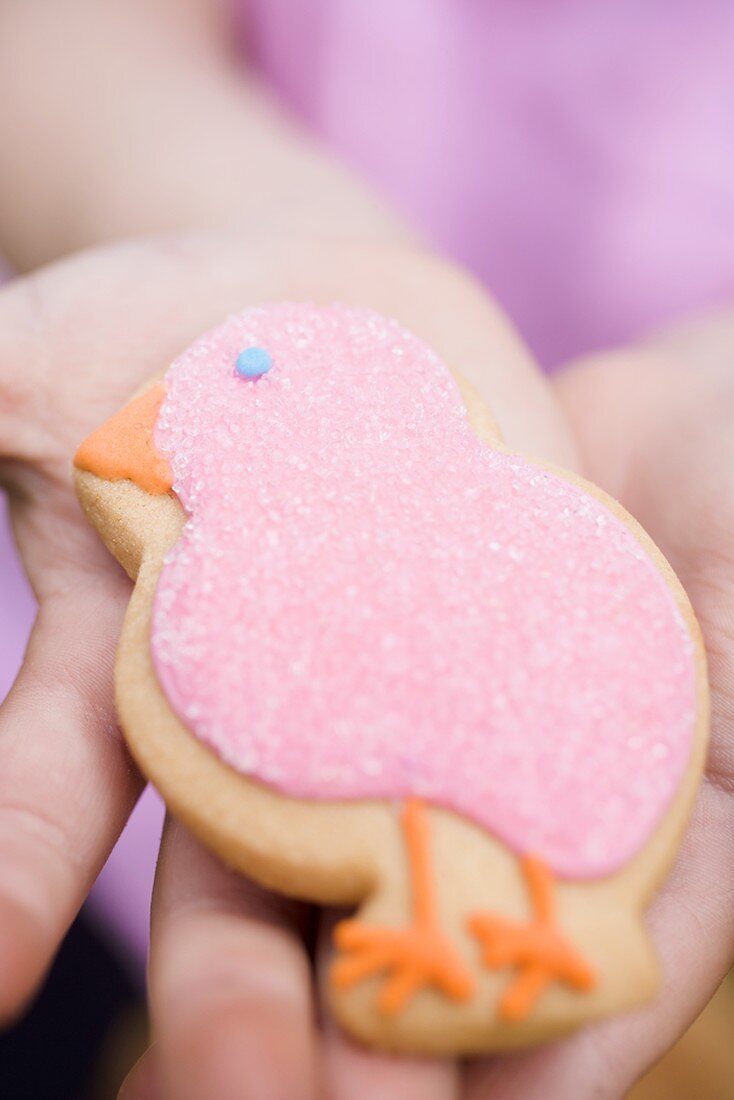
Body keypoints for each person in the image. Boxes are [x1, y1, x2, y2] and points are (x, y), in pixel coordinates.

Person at [0, 3, 732, 1099]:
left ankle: (513, 929)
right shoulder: (219, 585)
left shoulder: (527, 544)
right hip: (65, 690)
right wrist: (181, 189)